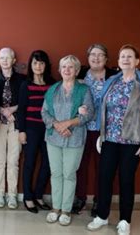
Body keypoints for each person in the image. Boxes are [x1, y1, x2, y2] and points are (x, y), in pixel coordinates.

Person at [87, 44, 140, 235]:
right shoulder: (112, 81)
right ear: (119, 61)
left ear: (137, 61)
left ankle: (124, 220)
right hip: (110, 140)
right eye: (122, 57)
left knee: (126, 180)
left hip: (132, 141)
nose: (125, 59)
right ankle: (102, 216)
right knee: (104, 178)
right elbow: (102, 108)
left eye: (130, 57)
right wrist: (101, 135)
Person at [41, 55, 94, 226]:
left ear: (77, 70)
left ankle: (65, 210)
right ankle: (55, 208)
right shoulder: (53, 89)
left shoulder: (84, 90)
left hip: (75, 137)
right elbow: (44, 112)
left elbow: (88, 113)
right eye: (64, 67)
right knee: (56, 173)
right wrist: (57, 125)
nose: (67, 70)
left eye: (71, 67)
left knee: (69, 174)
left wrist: (68, 124)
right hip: (53, 138)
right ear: (59, 70)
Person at [72, 44, 118, 216]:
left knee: (104, 167)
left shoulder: (114, 76)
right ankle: (80, 198)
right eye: (93, 54)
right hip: (82, 127)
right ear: (88, 57)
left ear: (106, 59)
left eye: (100, 55)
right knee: (80, 164)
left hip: (105, 130)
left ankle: (100, 200)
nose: (96, 58)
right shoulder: (80, 74)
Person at [18, 50, 55, 214]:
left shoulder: (53, 84)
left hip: (48, 129)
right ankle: (28, 196)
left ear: (45, 65)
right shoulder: (25, 84)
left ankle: (39, 195)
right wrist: (21, 131)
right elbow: (21, 110)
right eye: (35, 63)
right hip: (31, 129)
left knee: (48, 163)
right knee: (29, 163)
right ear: (31, 65)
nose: (38, 66)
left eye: (41, 63)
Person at [0, 47, 25, 209]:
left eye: (8, 57)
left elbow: (25, 102)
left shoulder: (22, 80)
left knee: (13, 161)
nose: (4, 60)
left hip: (15, 123)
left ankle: (12, 195)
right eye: (1, 57)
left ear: (13, 60)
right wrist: (2, 110)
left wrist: (12, 110)